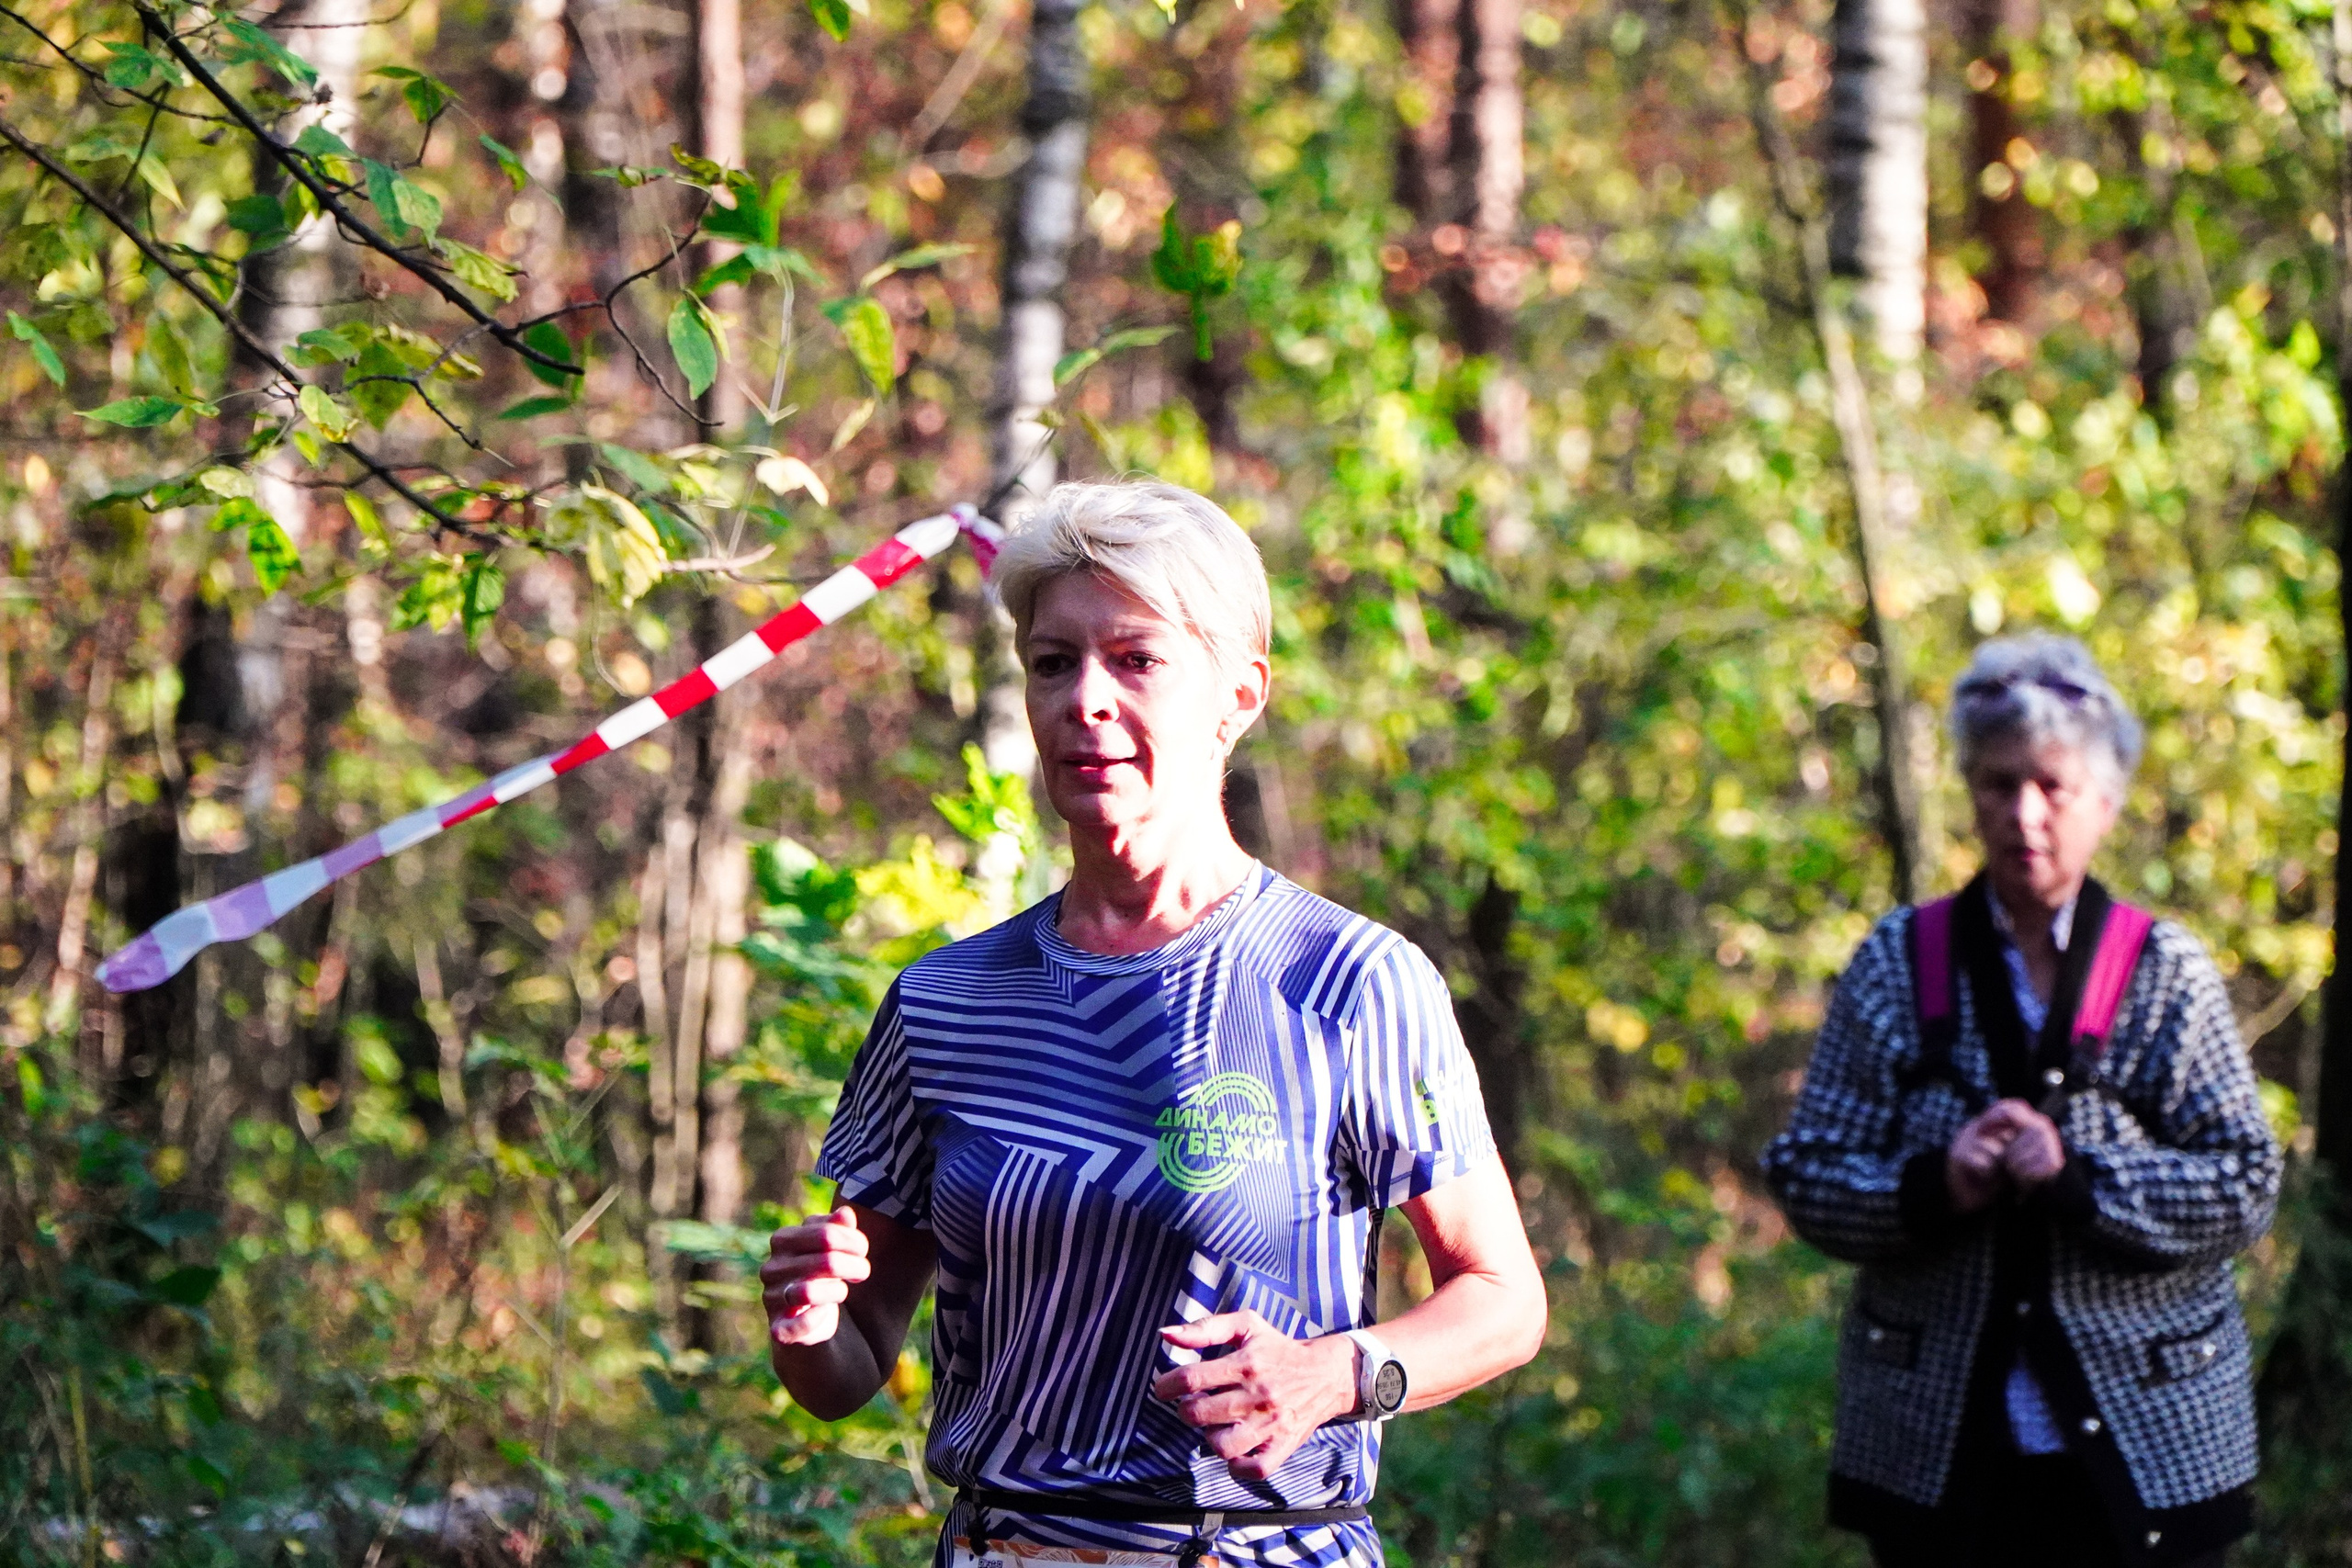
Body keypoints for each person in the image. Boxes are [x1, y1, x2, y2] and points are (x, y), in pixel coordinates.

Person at [760, 479, 1547, 1568]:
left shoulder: (1350, 980)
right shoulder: (943, 1003)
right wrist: (807, 1325)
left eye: (1136, 659)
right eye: (1052, 661)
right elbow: (847, 1374)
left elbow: (1503, 1302)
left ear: (1240, 693)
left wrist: (1340, 1372)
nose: (1085, 698)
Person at [1763, 634, 2281, 1568]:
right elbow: (1806, 1172)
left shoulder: (2163, 972)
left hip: (2149, 1453)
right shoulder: (1898, 962)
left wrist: (2077, 1179)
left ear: (2105, 804)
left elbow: (2243, 1181)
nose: (2024, 815)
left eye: (2052, 787)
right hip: (1939, 1458)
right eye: (1999, 786)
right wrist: (1935, 1185)